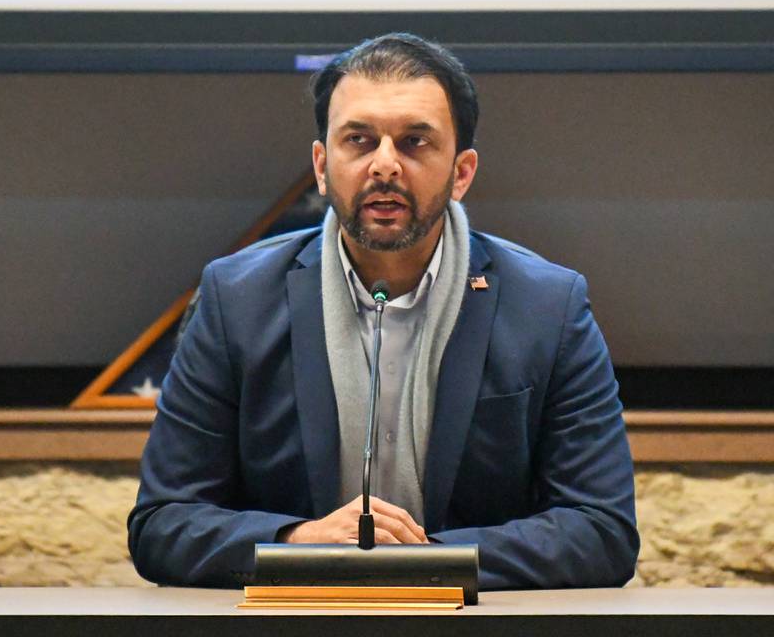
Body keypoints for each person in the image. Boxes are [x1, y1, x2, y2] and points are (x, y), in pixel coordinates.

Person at [128, 32, 639, 590]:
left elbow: (601, 531)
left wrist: (421, 560)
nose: (385, 165)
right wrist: (301, 543)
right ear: (322, 166)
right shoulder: (237, 299)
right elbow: (163, 523)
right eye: (360, 140)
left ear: (461, 173)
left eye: (415, 142)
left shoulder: (548, 306)